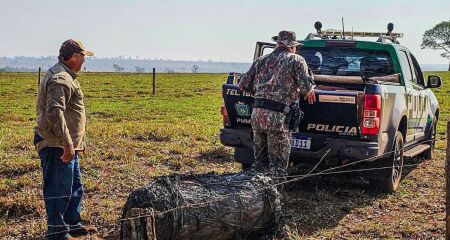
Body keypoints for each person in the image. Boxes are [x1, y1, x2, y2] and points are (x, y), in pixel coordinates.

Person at [34, 39, 97, 240]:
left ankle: (72, 223)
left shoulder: (67, 76)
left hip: (67, 144)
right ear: (74, 57)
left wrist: (78, 143)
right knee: (59, 187)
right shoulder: (60, 78)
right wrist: (68, 144)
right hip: (57, 145)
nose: (84, 61)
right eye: (83, 57)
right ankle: (57, 232)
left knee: (73, 186)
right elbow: (55, 113)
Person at [239, 31, 316, 176]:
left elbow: (242, 84)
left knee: (259, 165)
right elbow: (306, 88)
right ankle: (273, 197)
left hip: (257, 115)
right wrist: (310, 88)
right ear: (292, 46)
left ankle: (255, 196)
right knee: (278, 168)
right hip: (278, 118)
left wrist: (260, 94)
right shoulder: (296, 60)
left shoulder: (260, 60)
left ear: (278, 43)